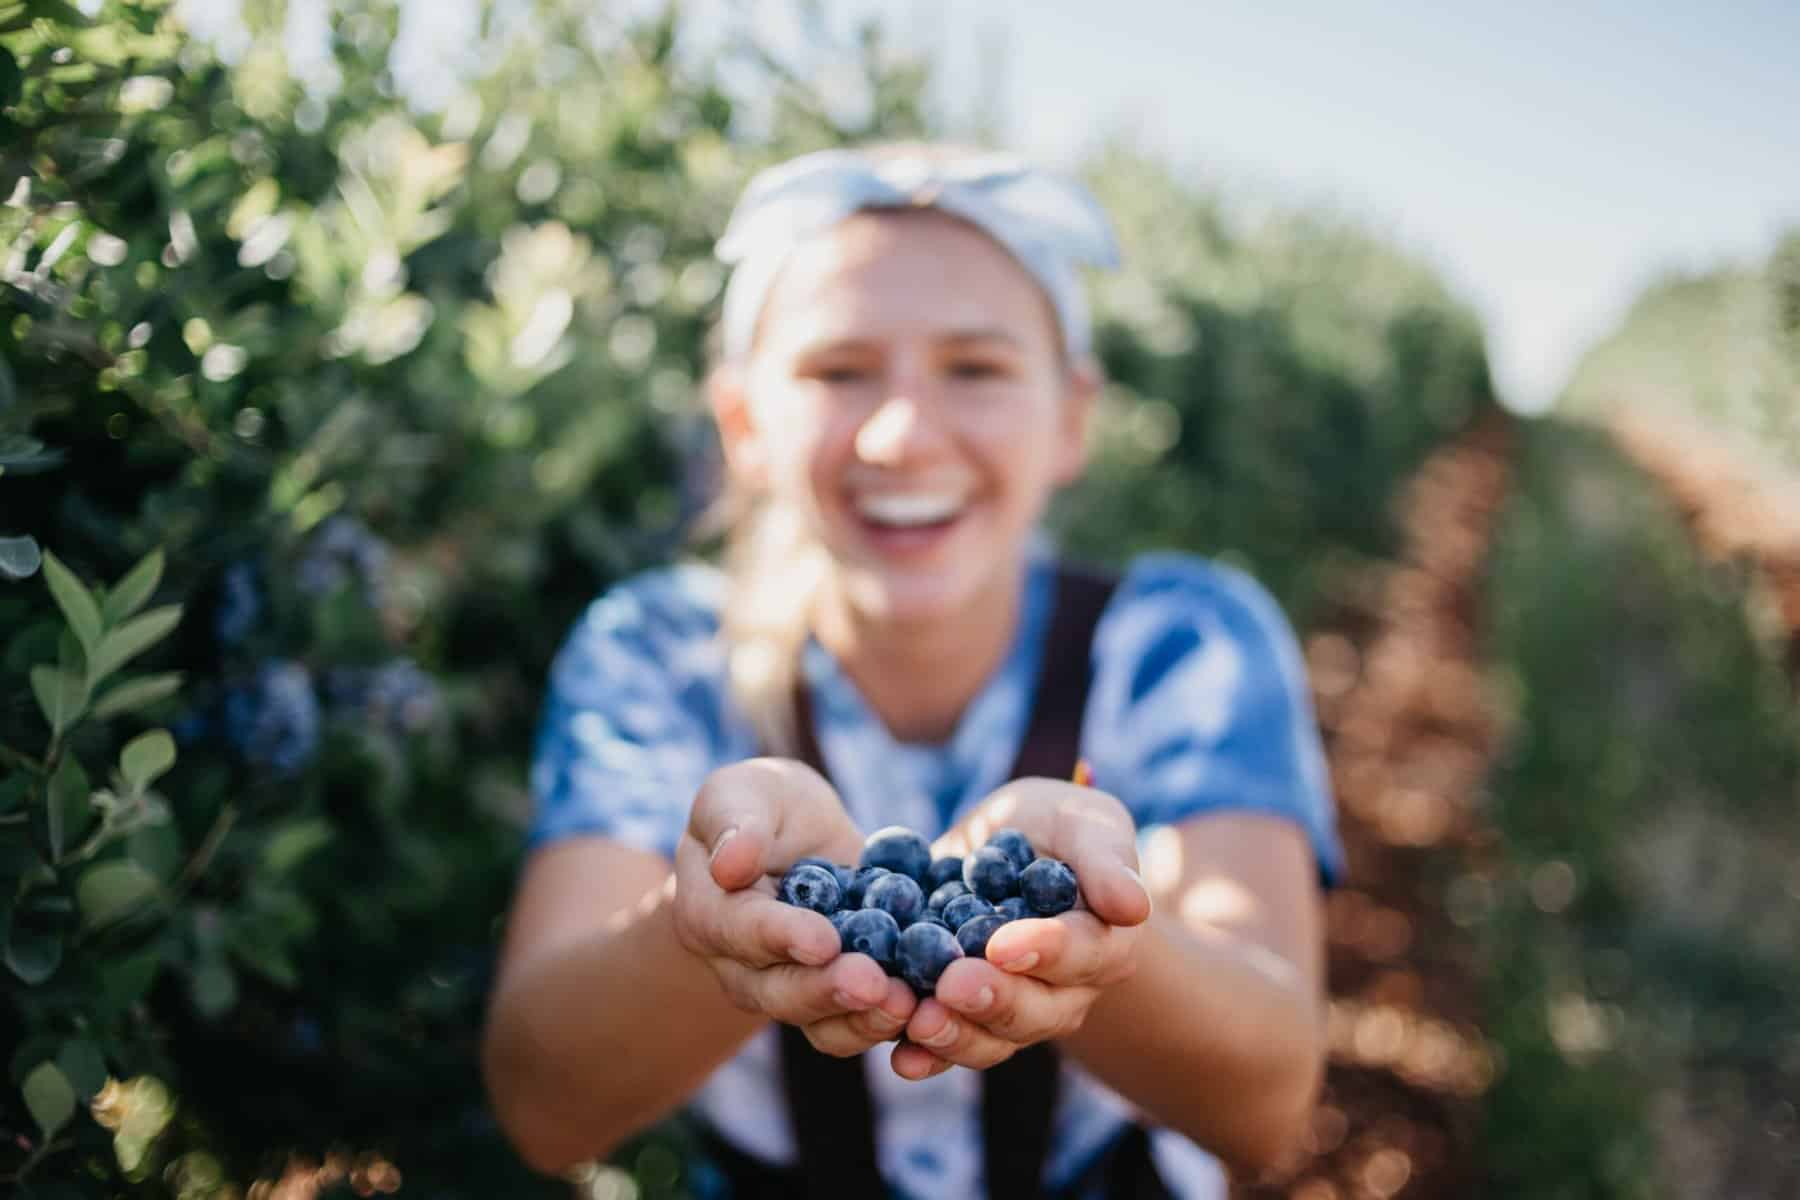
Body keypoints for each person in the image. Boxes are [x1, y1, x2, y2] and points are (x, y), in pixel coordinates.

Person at [480, 143, 1345, 1200]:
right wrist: (702, 929)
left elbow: (1267, 1108)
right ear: (744, 424)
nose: (901, 433)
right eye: (839, 372)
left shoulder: (1183, 646)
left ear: (1072, 417)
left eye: (975, 370)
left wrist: (1102, 950)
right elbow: (542, 1106)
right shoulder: (656, 657)